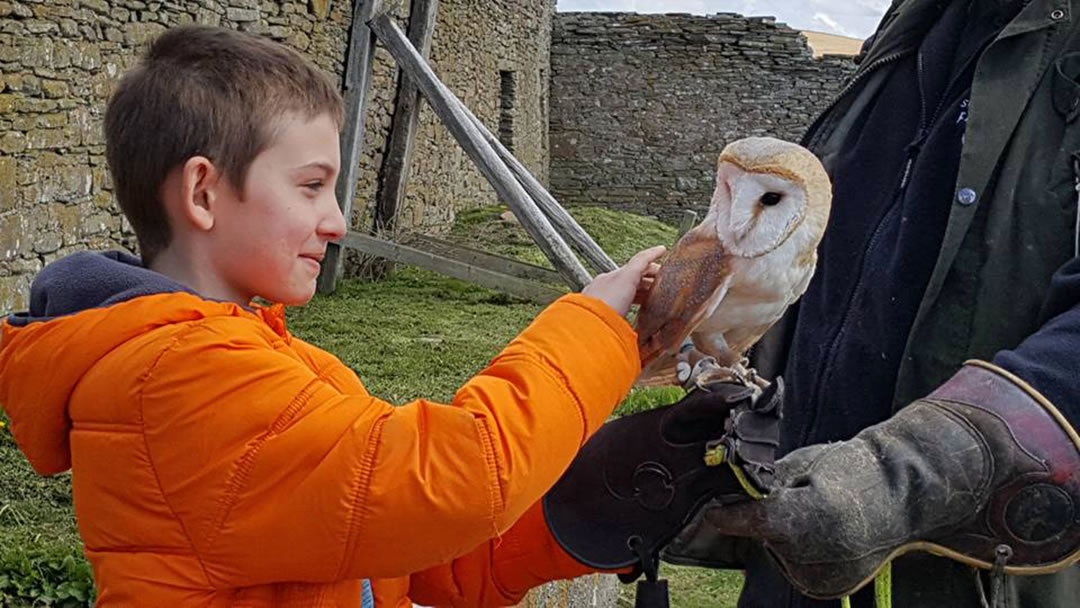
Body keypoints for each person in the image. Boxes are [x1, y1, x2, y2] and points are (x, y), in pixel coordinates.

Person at [0, 25, 758, 607]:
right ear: (202, 193)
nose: (334, 222)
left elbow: (401, 551)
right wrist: (596, 321)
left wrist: (591, 512)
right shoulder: (179, 378)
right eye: (311, 185)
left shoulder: (252, 360)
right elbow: (453, 482)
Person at [662, 0, 1080, 606]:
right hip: (802, 519)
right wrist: (733, 379)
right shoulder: (916, 23)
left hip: (991, 560)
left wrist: (909, 472)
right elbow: (850, 261)